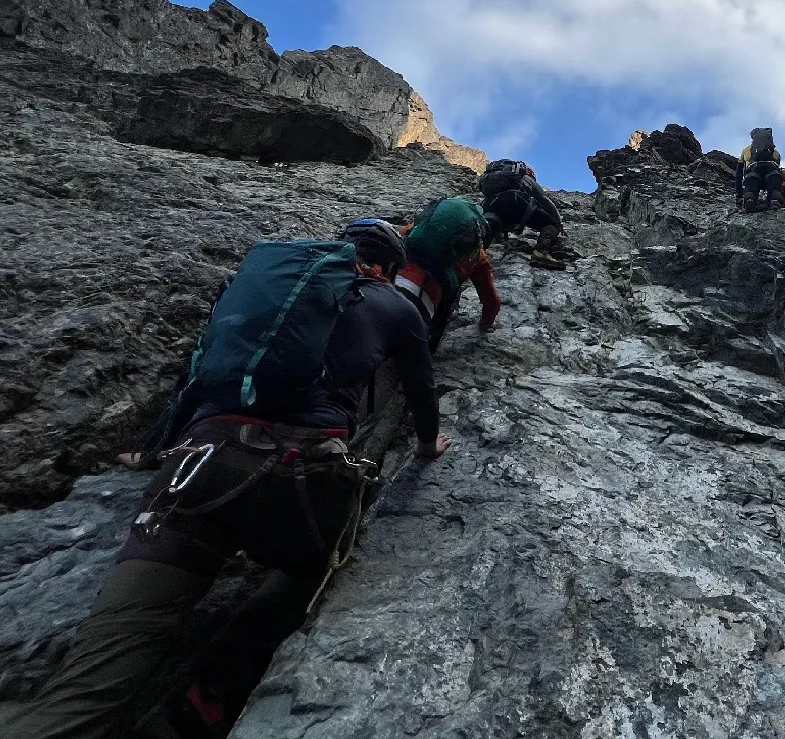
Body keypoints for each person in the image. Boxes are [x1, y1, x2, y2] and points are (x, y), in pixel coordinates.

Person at [5, 219, 452, 739]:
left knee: (91, 684)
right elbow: (422, 388)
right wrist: (426, 445)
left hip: (195, 465)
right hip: (299, 477)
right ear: (390, 269)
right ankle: (212, 691)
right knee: (320, 565)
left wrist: (153, 451)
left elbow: (198, 372)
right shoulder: (395, 306)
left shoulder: (266, 292)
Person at [396, 196, 501, 348]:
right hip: (430, 295)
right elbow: (491, 300)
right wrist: (487, 323)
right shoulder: (478, 256)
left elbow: (400, 237)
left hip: (397, 278)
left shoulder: (424, 227)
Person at [479, 159, 571, 270]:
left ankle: (471, 258)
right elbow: (544, 199)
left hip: (488, 204)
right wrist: (558, 223)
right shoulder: (524, 177)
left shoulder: (492, 180)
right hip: (514, 201)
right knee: (550, 224)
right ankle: (540, 253)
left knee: (489, 229)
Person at [735, 127, 783, 212]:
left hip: (753, 170)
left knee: (751, 190)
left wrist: (739, 195)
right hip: (771, 169)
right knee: (774, 189)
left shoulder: (746, 150)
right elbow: (778, 173)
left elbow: (739, 174)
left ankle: (750, 200)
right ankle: (774, 202)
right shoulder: (775, 152)